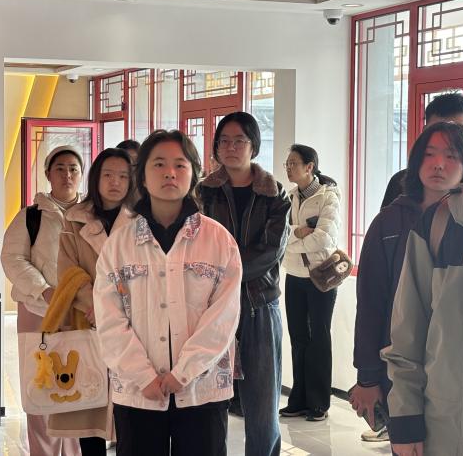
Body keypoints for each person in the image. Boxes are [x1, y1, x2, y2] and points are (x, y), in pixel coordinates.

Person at [93, 129, 242, 456]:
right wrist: (143, 375)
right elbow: (109, 319)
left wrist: (183, 373)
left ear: (194, 174)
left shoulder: (219, 241)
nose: (170, 173)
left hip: (202, 389)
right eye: (159, 164)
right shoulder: (119, 244)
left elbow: (223, 317)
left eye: (180, 164)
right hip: (138, 392)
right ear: (143, 176)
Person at [351, 122, 463, 446]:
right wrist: (368, 376)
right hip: (401, 366)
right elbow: (371, 303)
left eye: (451, 155)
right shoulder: (389, 222)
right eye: (429, 154)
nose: (439, 164)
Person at [197, 112, 291, 456]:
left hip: (258, 306)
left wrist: (223, 276)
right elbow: (195, 244)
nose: (231, 147)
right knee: (209, 399)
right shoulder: (203, 193)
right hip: (209, 309)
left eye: (240, 140)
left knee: (262, 403)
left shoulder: (274, 195)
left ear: (254, 146)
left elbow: (270, 251)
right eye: (224, 141)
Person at [45, 148, 134, 455]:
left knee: (130, 415)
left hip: (131, 325)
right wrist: (94, 305)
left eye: (123, 176)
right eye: (108, 175)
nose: (115, 182)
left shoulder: (141, 221)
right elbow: (68, 270)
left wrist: (113, 308)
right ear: (96, 178)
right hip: (87, 321)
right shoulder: (74, 220)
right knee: (89, 410)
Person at [1, 145, 84, 456]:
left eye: (73, 169)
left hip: (79, 314)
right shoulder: (31, 216)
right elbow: (12, 258)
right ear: (48, 174)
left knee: (77, 389)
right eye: (60, 168)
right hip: (38, 312)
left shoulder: (91, 216)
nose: (67, 175)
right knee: (41, 387)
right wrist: (44, 290)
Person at [279, 144, 341, 422]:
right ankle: (299, 400)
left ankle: (319, 403)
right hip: (294, 275)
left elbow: (324, 239)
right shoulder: (290, 196)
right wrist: (299, 233)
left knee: (319, 338)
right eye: (287, 164)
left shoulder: (328, 196)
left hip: (320, 276)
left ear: (309, 167)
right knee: (298, 338)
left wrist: (293, 239)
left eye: (293, 163)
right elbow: (280, 235)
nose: (288, 168)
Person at [381, 93, 463, 208]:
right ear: (424, 132)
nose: (446, 138)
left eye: (456, 131)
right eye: (436, 130)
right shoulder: (400, 181)